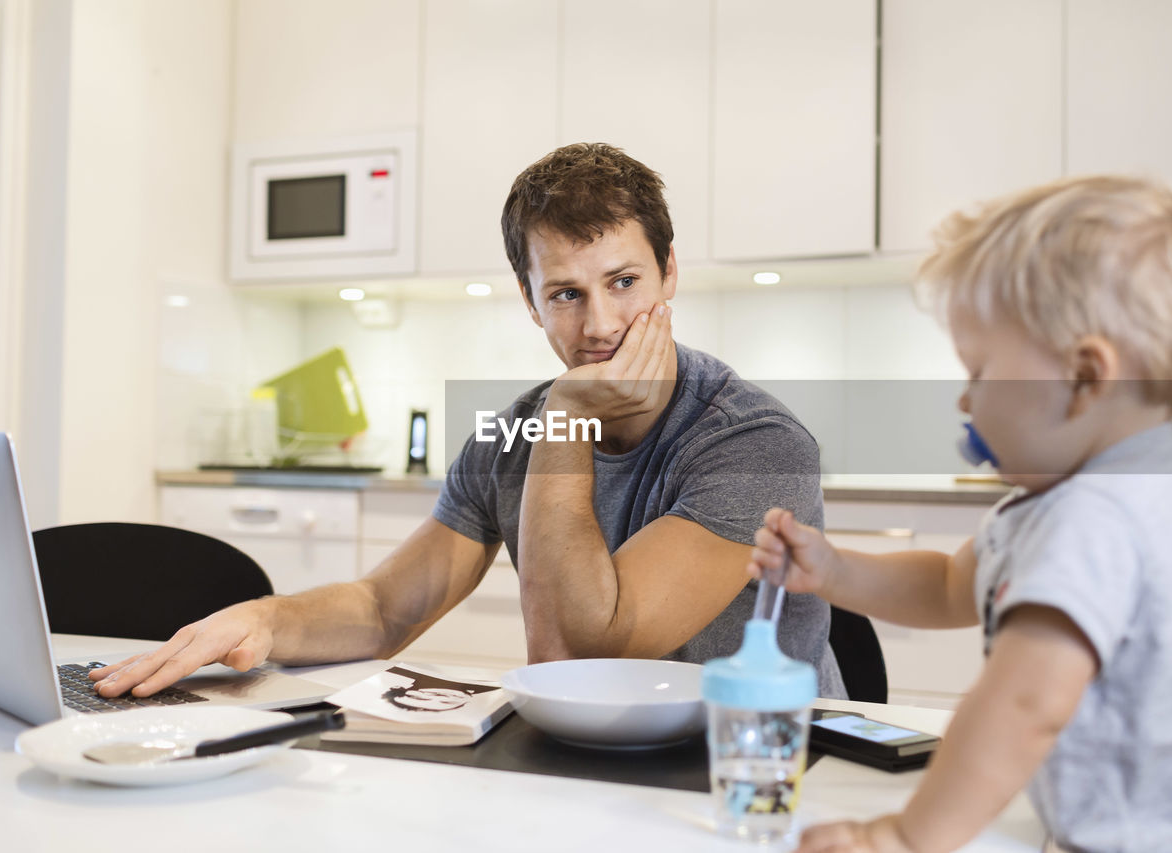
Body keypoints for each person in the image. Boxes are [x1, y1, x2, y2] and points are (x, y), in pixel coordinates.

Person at [92, 142, 851, 701]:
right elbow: (387, 607)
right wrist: (261, 619)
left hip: (763, 773)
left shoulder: (754, 443)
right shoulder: (509, 434)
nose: (603, 322)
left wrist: (565, 415)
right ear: (529, 301)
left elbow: (581, 648)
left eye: (624, 281)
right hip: (594, 765)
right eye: (565, 294)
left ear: (669, 272)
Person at [749, 175, 1172, 851]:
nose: (966, 403)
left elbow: (1025, 704)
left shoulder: (1102, 516)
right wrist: (836, 569)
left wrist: (905, 837)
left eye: (979, 373)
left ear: (1085, 378)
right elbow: (950, 584)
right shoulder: (1063, 497)